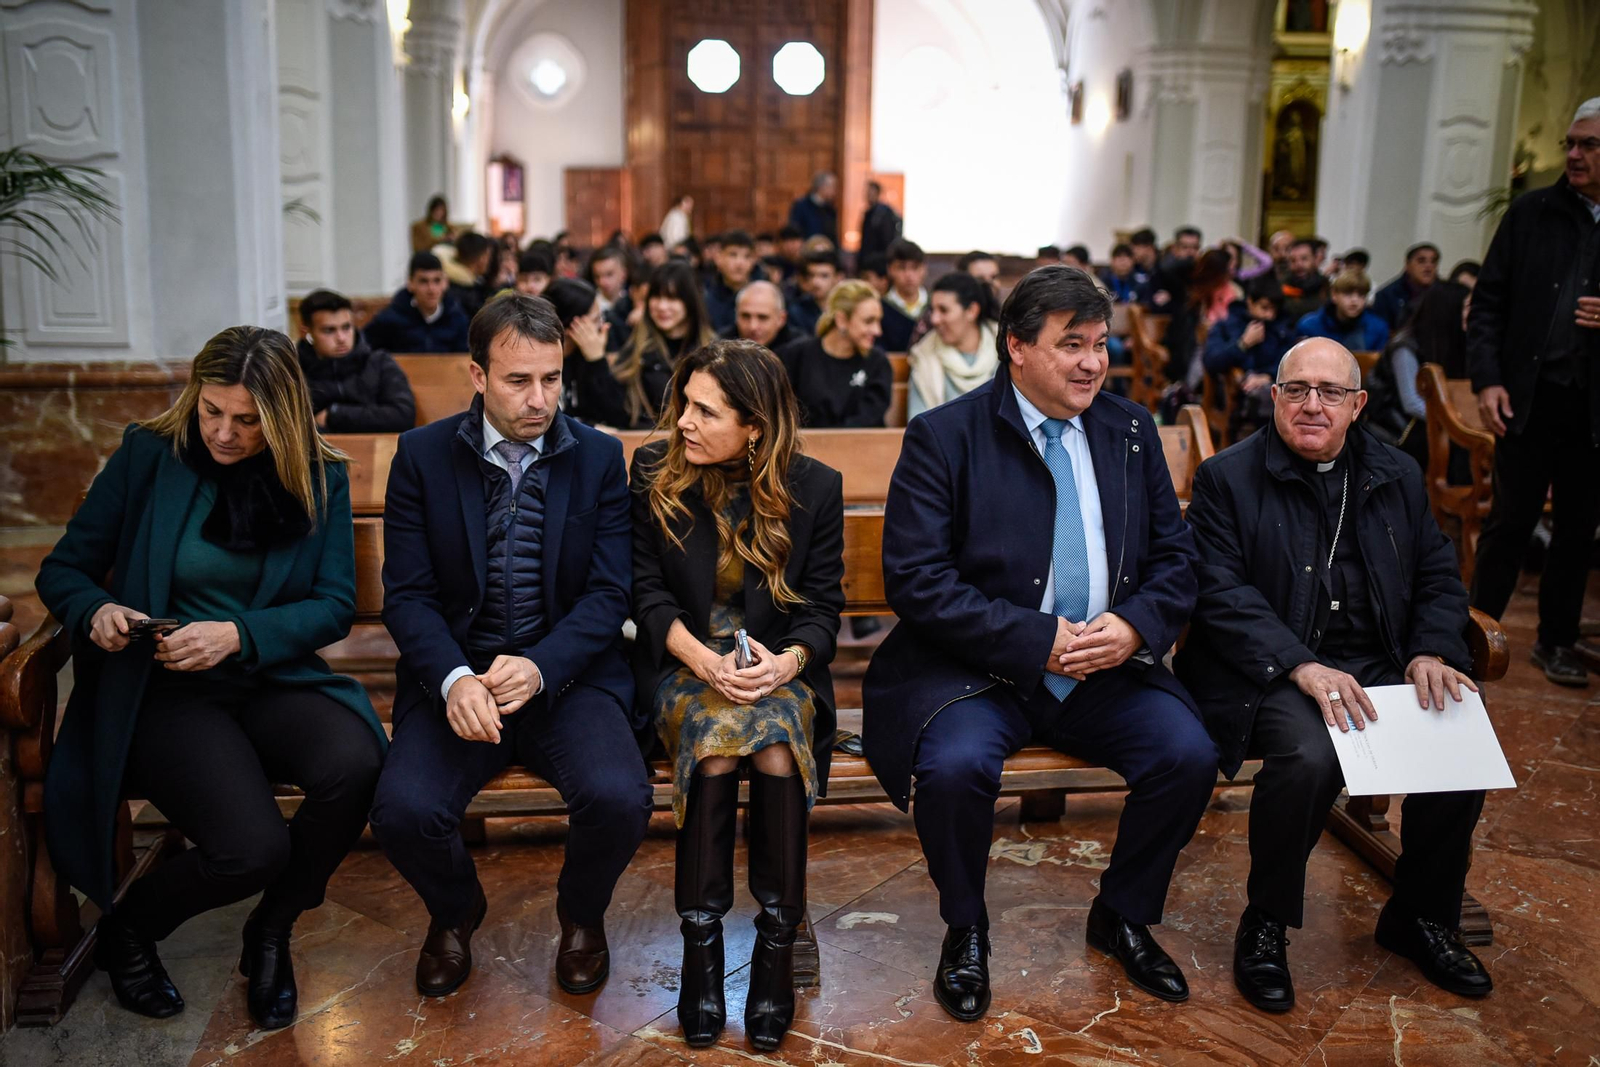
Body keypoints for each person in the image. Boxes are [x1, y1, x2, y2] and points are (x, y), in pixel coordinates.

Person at [863, 266, 1216, 1021]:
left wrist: (1134, 626)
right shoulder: (945, 435)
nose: (1093, 361)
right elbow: (917, 580)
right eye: (1071, 344)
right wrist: (1034, 638)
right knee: (955, 767)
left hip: (1104, 666)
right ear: (1016, 347)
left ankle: (1122, 910)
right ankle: (966, 926)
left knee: (1188, 754)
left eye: (1100, 343)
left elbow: (1177, 560)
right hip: (979, 670)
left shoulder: (1128, 430)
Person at [36, 327, 386, 1028]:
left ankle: (272, 929)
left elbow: (332, 604)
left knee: (358, 761)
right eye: (211, 412)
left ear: (281, 416)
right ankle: (128, 928)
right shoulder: (149, 454)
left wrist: (238, 633)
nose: (224, 432)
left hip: (267, 674)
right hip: (164, 688)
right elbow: (62, 570)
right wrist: (96, 608)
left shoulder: (320, 474)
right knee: (250, 848)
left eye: (247, 420)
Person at [1177, 337, 1494, 1014]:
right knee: (1308, 752)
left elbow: (1439, 574)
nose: (1312, 405)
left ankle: (1420, 913)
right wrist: (1301, 664)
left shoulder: (1396, 473)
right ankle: (1266, 921)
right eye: (1297, 389)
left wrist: (1431, 649)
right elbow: (1220, 593)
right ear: (1274, 396)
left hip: (1377, 658)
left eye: (1330, 393)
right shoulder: (1227, 477)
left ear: (1358, 405)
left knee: (1459, 734)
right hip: (1267, 668)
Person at [369, 294, 652, 999]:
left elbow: (610, 593)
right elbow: (406, 594)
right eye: (519, 380)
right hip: (462, 675)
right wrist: (454, 678)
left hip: (567, 676)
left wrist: (543, 663)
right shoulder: (423, 457)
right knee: (402, 811)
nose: (539, 398)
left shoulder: (596, 456)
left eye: (552, 379)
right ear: (477, 375)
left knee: (620, 795)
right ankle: (455, 907)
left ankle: (582, 915)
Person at [631, 339, 844, 1052]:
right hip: (685, 667)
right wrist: (703, 659)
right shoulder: (656, 472)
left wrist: (785, 663)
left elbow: (822, 609)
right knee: (717, 749)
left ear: (754, 425)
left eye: (704, 410)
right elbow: (647, 591)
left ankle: (778, 946)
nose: (683, 421)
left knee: (780, 745)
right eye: (684, 403)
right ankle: (702, 946)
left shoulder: (814, 486)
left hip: (773, 672)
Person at [1467, 97, 1600, 688]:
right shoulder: (1532, 212)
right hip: (1528, 394)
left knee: (1578, 526)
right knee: (1509, 521)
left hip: (1593, 405)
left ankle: (1557, 641)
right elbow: (1488, 302)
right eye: (1571, 142)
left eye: (1588, 145)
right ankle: (1472, 633)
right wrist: (1488, 379)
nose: (1573, 154)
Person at [1363, 281, 1469, 470]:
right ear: (1448, 313)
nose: (1470, 315)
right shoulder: (1405, 346)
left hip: (1432, 425)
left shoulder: (1453, 344)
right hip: (1400, 429)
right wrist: (1455, 421)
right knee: (1461, 447)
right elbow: (1411, 403)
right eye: (1465, 308)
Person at [614, 261, 717, 428]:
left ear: (690, 301)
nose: (662, 306)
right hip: (647, 443)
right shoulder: (636, 347)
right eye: (656, 297)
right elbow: (616, 408)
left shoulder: (714, 351)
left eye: (672, 298)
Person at [295, 289, 416, 433]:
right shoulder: (295, 370)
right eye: (329, 330)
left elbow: (403, 415)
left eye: (346, 327)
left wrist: (334, 415)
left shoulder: (379, 362)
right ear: (306, 332)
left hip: (378, 450)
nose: (341, 338)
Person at [778, 279, 893, 428]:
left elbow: (869, 419)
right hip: (805, 446)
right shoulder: (795, 355)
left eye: (878, 321)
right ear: (842, 320)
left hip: (862, 447)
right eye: (868, 321)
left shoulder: (878, 363)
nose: (878, 331)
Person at [1204, 275, 1294, 439]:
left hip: (1272, 385)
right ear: (1250, 302)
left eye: (1274, 309)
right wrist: (1242, 344)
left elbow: (1290, 360)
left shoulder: (1282, 328)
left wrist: (1267, 376)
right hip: (1234, 391)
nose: (1270, 315)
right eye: (1264, 307)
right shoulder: (1226, 325)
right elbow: (1211, 360)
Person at [907, 271, 999, 418]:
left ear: (971, 311)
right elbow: (917, 424)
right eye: (932, 310)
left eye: (943, 310)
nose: (935, 319)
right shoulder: (924, 356)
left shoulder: (1005, 350)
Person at [542, 277, 630, 429]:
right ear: (572, 325)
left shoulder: (586, 357)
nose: (603, 326)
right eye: (596, 319)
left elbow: (618, 415)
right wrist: (591, 426)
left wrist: (597, 360)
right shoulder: (540, 360)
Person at [365, 252, 471, 354]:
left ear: (445, 283)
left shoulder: (458, 320)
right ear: (410, 283)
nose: (431, 289)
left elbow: (467, 358)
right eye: (423, 281)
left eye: (437, 281)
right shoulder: (389, 319)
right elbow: (365, 349)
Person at [1295, 269, 1390, 353]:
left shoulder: (1378, 329)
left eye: (1361, 295)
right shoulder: (1309, 326)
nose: (1355, 301)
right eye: (1348, 293)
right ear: (1334, 295)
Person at [1372, 242, 1440, 329]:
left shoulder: (1447, 294)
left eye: (1433, 261)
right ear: (1407, 265)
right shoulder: (1387, 296)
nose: (1428, 266)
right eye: (1421, 261)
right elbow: (1382, 333)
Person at [722, 280, 802, 351]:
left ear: (781, 319)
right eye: (745, 316)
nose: (753, 326)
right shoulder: (722, 347)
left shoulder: (801, 351)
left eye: (762, 318)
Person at [880, 238, 928, 352]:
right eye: (902, 268)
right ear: (890, 269)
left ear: (924, 269)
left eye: (915, 267)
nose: (909, 275)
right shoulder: (880, 308)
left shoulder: (935, 307)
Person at [703, 230, 755, 335]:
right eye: (733, 255)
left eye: (747, 256)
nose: (739, 263)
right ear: (718, 258)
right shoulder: (705, 303)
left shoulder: (764, 299)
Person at [786, 248, 841, 336]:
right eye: (811, 275)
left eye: (824, 276)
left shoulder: (845, 308)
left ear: (838, 278)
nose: (815, 282)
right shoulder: (796, 311)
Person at [446, 232, 497, 318]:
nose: (489, 261)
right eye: (488, 256)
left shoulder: (450, 283)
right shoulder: (466, 291)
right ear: (482, 258)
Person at [1279, 239, 1329, 321]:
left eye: (1304, 259)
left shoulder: (1325, 286)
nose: (1299, 265)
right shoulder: (1281, 286)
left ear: (1315, 259)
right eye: (1293, 260)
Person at [787, 172, 839, 244]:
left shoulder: (830, 210)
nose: (834, 191)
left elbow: (833, 235)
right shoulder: (801, 206)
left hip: (826, 252)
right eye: (832, 187)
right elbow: (794, 231)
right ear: (822, 187)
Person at [859, 180, 903, 264]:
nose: (868, 195)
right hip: (870, 258)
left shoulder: (883, 213)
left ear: (877, 193)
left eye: (871, 192)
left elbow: (886, 238)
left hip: (877, 259)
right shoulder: (869, 212)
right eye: (867, 192)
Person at [587, 244, 631, 313]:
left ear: (623, 274)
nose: (602, 282)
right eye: (597, 276)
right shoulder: (589, 306)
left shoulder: (633, 302)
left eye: (609, 274)